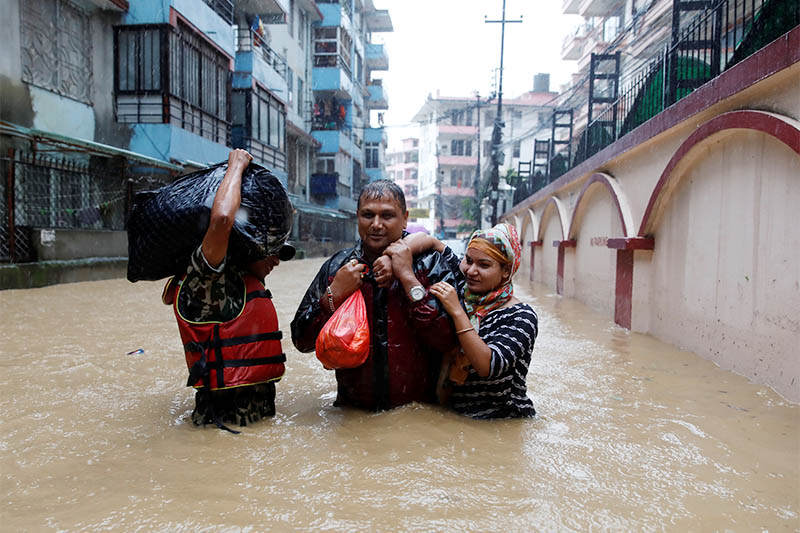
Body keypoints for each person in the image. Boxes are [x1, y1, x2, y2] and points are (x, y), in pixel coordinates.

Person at [290, 180, 461, 411]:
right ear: (357, 217)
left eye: (387, 216)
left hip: (418, 416)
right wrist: (334, 295)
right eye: (367, 215)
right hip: (352, 414)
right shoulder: (338, 267)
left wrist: (408, 278)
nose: (376, 224)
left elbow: (450, 340)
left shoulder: (429, 264)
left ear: (405, 218)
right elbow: (302, 341)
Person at [162, 149, 295, 432]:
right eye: (270, 251)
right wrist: (236, 165)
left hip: (250, 430)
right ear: (245, 248)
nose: (276, 260)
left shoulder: (241, 285)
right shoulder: (209, 281)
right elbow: (222, 220)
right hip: (221, 428)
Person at [387, 223, 537, 419]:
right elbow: (429, 241)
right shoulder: (460, 281)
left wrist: (457, 311)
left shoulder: (520, 316)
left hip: (499, 421)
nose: (471, 270)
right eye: (468, 260)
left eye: (484, 265)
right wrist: (390, 258)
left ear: (506, 271)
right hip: (455, 416)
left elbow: (487, 365)